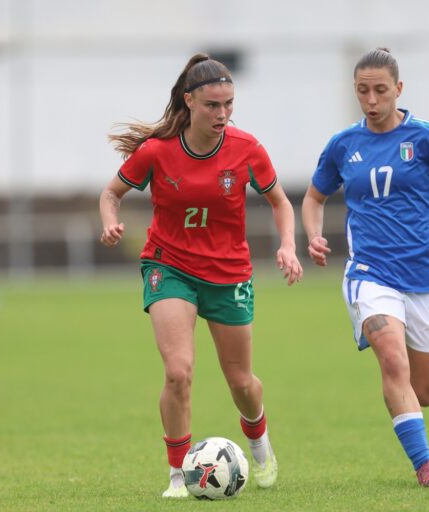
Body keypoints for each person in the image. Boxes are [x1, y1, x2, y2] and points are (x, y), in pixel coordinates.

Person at [99, 53, 303, 498]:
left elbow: (281, 203)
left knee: (241, 383)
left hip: (228, 274)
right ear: (189, 101)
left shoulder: (247, 149)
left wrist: (288, 246)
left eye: (229, 104)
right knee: (178, 371)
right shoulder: (157, 151)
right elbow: (111, 193)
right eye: (213, 105)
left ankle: (260, 444)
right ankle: (178, 475)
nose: (222, 113)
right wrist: (110, 221)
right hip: (169, 266)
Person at [302, 48, 429, 488]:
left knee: (424, 391)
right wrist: (313, 234)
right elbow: (314, 197)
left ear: (399, 89)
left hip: (428, 276)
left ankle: (405, 405)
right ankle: (425, 465)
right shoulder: (343, 145)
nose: (371, 100)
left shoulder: (427, 137)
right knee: (392, 359)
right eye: (362, 91)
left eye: (380, 90)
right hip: (370, 273)